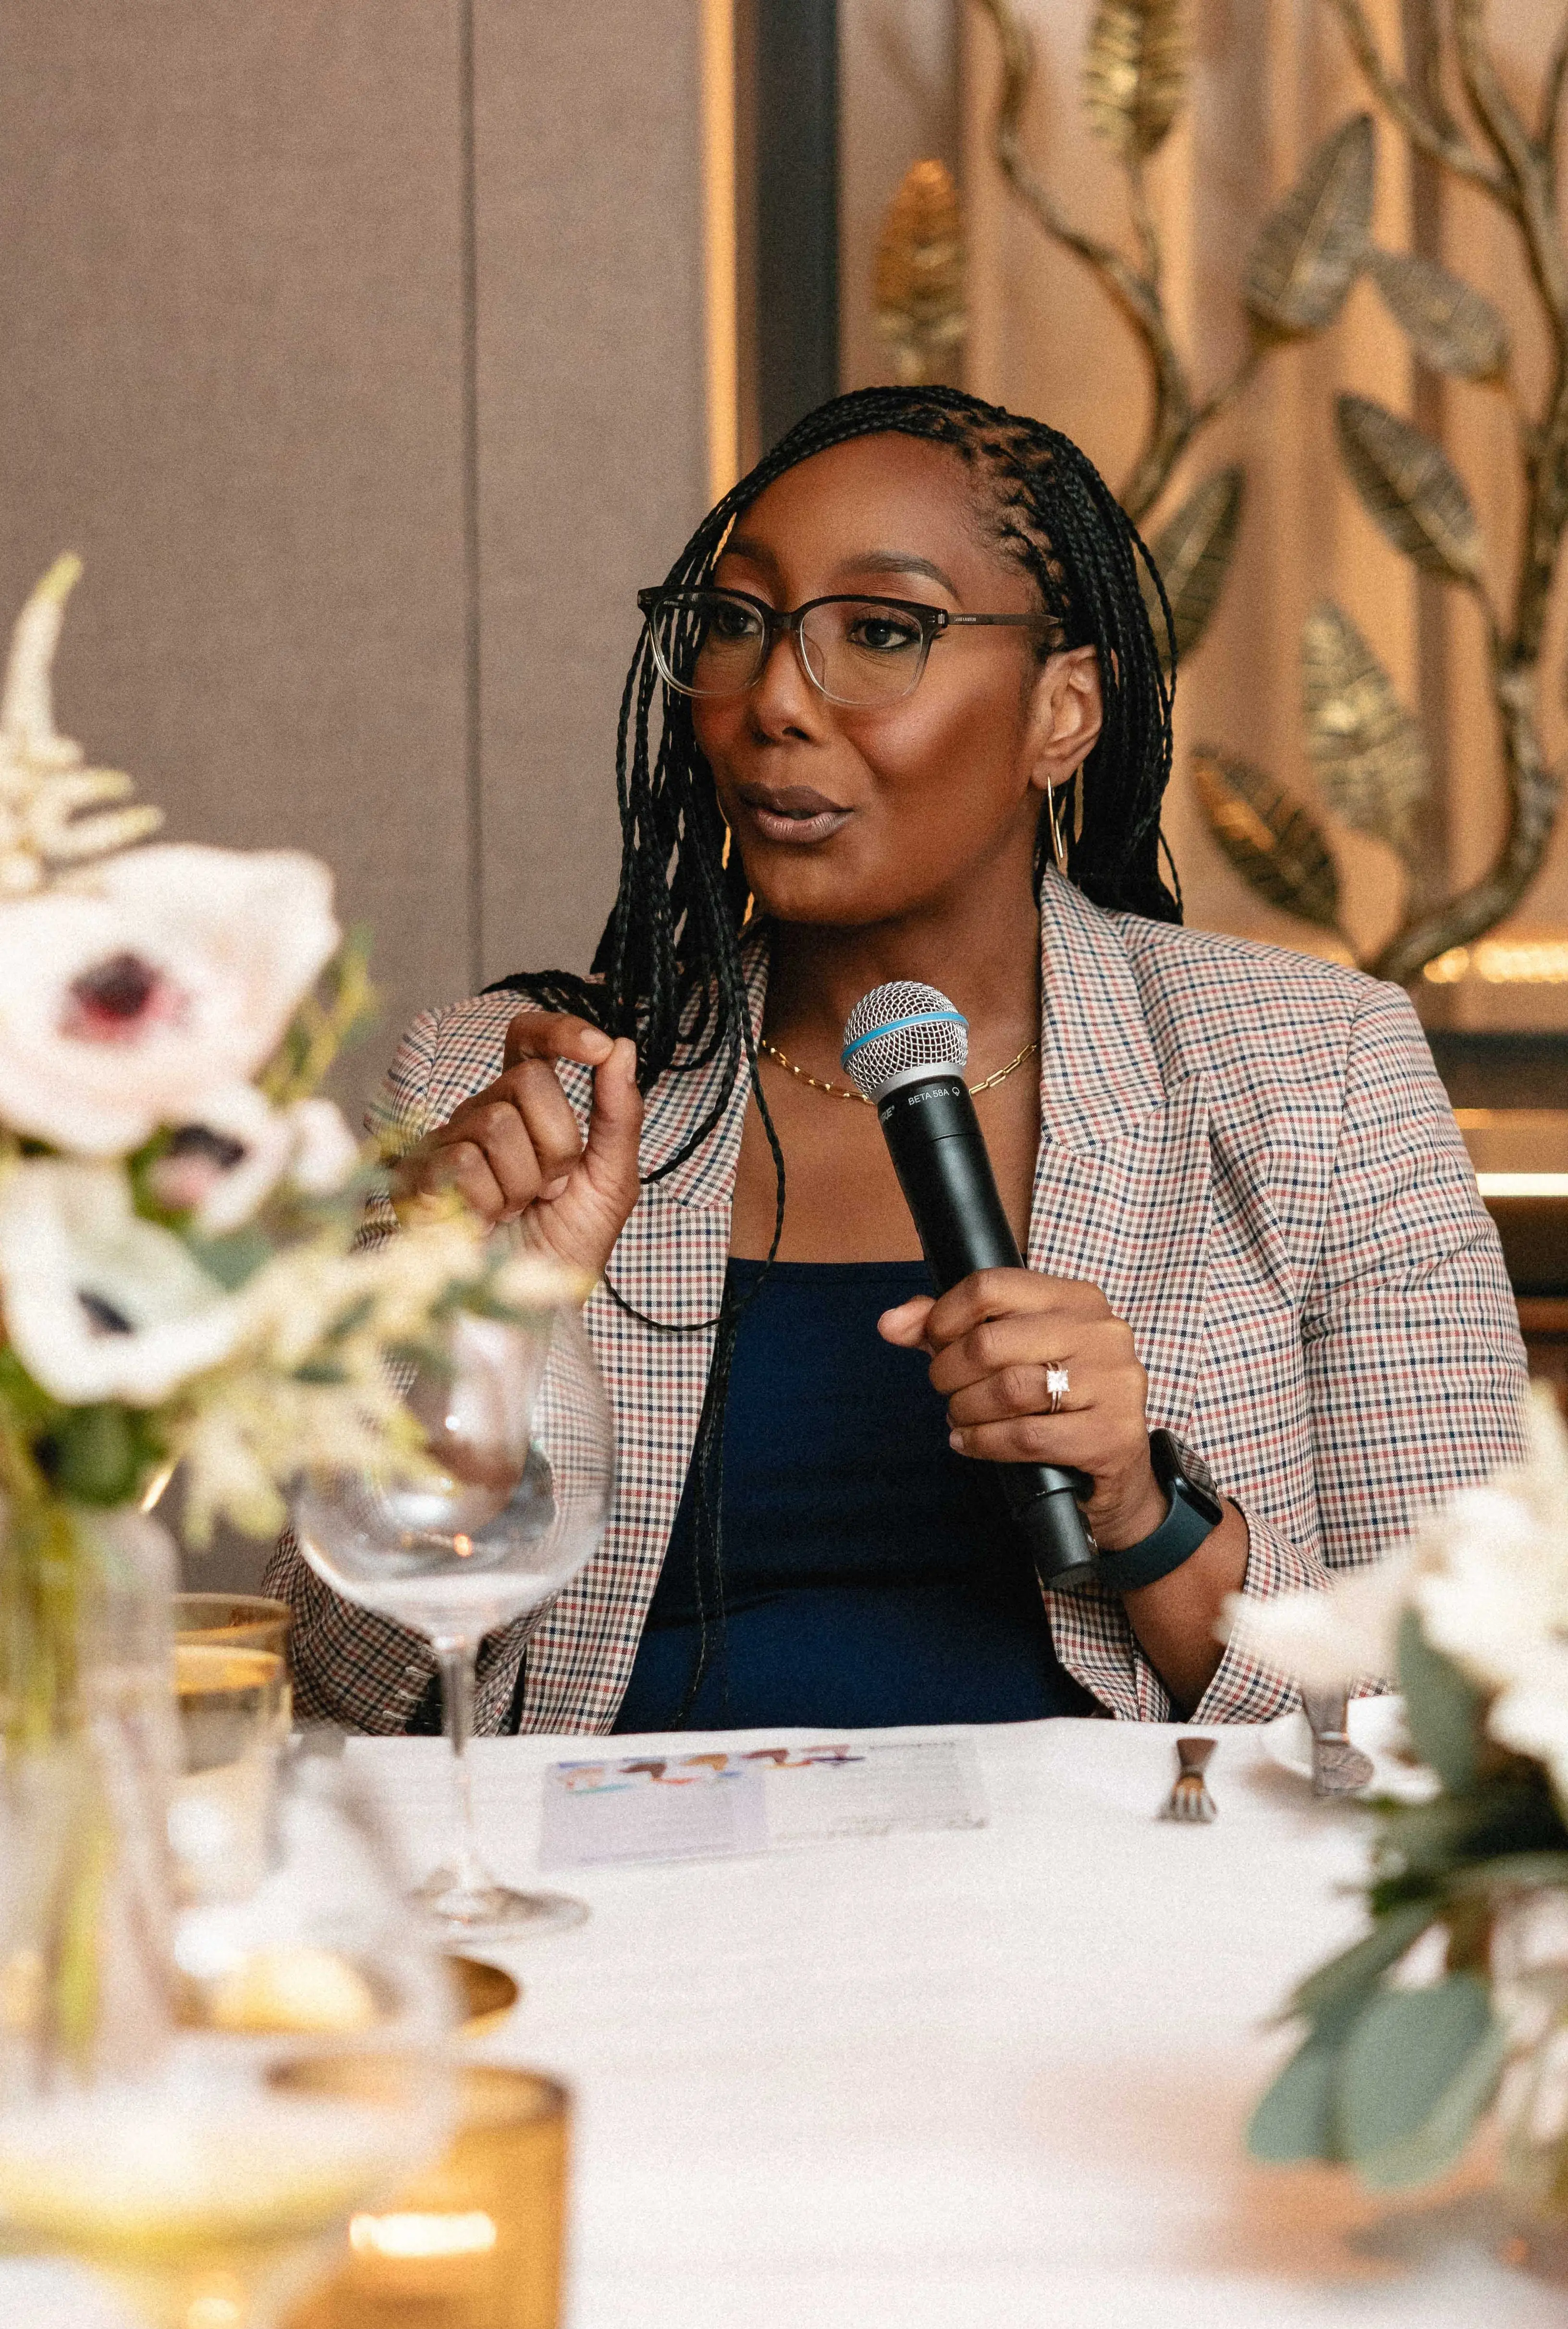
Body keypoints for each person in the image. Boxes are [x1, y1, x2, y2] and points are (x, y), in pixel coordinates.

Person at [266, 384, 1527, 1737]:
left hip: (1108, 1922)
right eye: (740, 625)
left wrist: (1144, 1511)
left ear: (1064, 711)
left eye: (881, 632)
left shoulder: (1315, 1074)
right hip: (627, 1916)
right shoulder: (507, 1091)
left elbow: (1466, 1703)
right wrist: (488, 1342)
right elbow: (335, 1684)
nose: (774, 702)